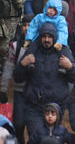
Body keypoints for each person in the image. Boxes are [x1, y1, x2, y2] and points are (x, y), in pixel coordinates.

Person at [15, 23, 75, 137]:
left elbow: (74, 78)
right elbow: (18, 78)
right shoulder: (32, 49)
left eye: (49, 37)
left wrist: (70, 67)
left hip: (56, 106)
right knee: (36, 137)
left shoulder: (63, 50)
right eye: (44, 37)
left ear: (54, 37)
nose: (47, 40)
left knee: (51, 138)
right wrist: (23, 64)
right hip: (35, 105)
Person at [0, 14, 31, 144]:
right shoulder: (15, 46)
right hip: (19, 91)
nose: (26, 28)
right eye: (24, 25)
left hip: (37, 92)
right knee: (18, 124)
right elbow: (8, 68)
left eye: (29, 25)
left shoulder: (42, 44)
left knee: (34, 127)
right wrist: (3, 90)